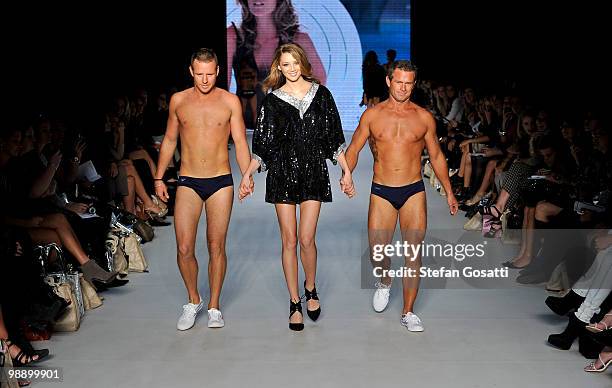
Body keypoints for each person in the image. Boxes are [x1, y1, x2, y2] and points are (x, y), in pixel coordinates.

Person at [239, 43, 352, 331]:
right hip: (282, 174)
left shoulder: (322, 95)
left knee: (306, 239)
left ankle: (310, 287)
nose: (290, 69)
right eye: (285, 64)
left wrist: (347, 172)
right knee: (288, 240)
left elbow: (333, 137)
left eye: (294, 63)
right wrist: (247, 175)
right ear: (278, 67)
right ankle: (294, 302)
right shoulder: (273, 100)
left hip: (314, 172)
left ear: (302, 64)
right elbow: (263, 145)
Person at [345, 60, 458, 332]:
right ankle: (384, 280)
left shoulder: (423, 117)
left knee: (413, 252)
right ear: (388, 81)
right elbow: (354, 147)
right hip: (382, 190)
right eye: (399, 81)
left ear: (414, 84)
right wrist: (345, 174)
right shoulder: (372, 115)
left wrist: (450, 192)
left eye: (408, 83)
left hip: (413, 190)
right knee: (377, 251)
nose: (403, 87)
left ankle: (408, 312)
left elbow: (436, 155)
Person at [154, 48, 252, 331]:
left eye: (210, 74)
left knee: (215, 245)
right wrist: (159, 178)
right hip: (188, 180)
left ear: (218, 72)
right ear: (191, 71)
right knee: (184, 246)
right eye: (200, 74)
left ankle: (214, 306)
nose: (205, 79)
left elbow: (241, 142)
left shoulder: (230, 101)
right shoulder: (179, 101)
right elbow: (170, 139)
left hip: (221, 180)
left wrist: (246, 174)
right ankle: (193, 299)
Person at [227, 0, 327, 90]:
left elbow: (319, 84)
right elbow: (219, 89)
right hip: (243, 110)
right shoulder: (232, 36)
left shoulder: (299, 40)